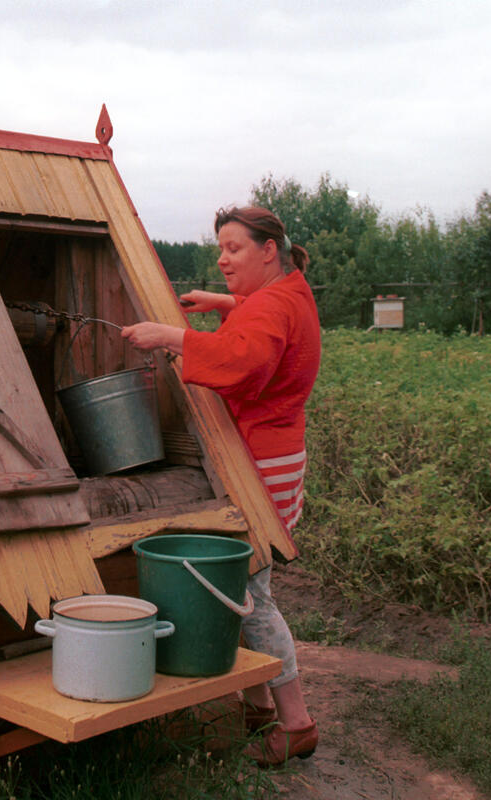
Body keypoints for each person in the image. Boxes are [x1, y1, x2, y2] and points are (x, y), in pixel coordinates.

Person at [121, 205, 321, 766]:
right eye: (220, 248)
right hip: (276, 453)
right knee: (246, 585)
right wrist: (220, 304)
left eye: (234, 248)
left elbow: (245, 358)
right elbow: (261, 314)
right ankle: (256, 705)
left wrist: (173, 336)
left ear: (267, 250)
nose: (222, 258)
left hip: (261, 458)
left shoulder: (273, 307)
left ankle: (297, 722)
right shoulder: (289, 291)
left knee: (251, 596)